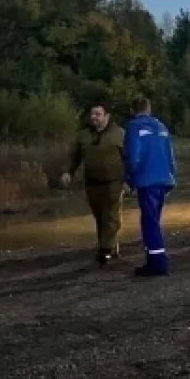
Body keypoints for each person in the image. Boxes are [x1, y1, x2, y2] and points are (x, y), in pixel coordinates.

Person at [61, 103, 127, 265]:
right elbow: (74, 157)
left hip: (114, 182)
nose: (94, 117)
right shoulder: (83, 136)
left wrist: (129, 180)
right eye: (92, 114)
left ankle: (106, 251)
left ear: (107, 116)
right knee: (100, 217)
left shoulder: (119, 134)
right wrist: (67, 172)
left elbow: (129, 158)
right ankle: (110, 247)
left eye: (98, 114)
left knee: (111, 216)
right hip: (92, 183)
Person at [123, 97, 176, 276]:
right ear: (149, 108)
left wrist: (129, 179)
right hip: (163, 179)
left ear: (133, 110)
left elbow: (132, 157)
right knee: (154, 219)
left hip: (147, 180)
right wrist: (171, 178)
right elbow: (170, 156)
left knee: (149, 221)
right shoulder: (161, 127)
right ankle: (154, 259)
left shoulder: (134, 127)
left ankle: (157, 263)